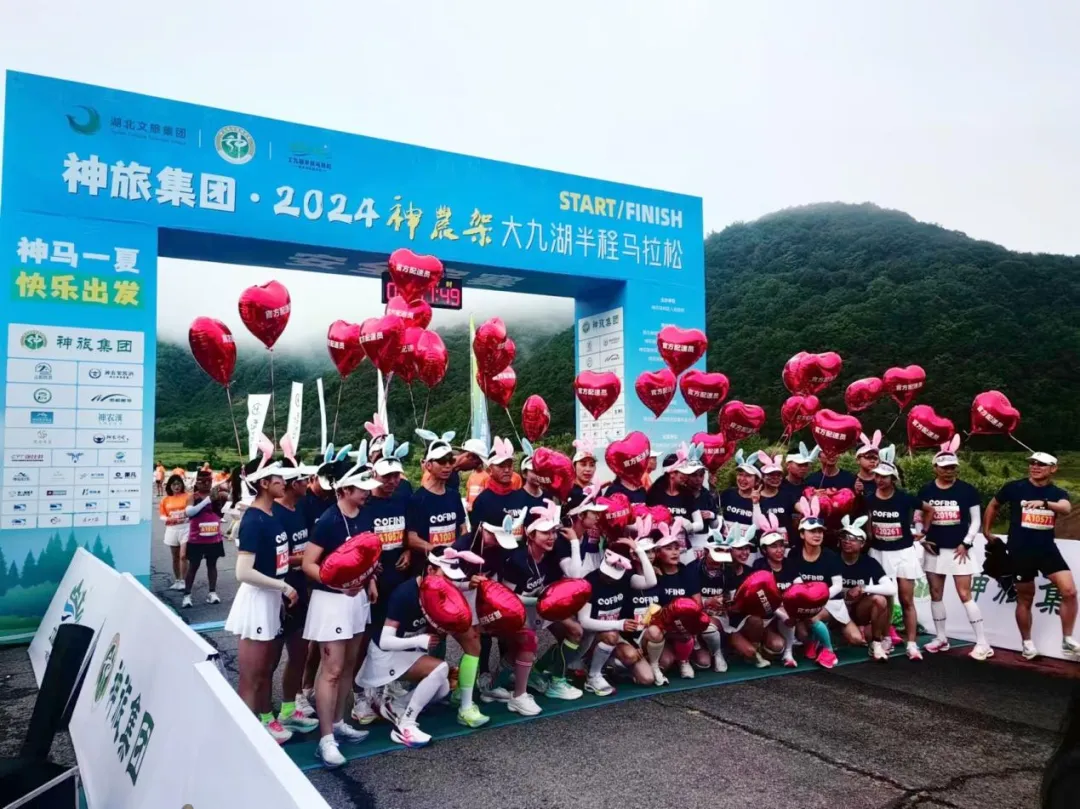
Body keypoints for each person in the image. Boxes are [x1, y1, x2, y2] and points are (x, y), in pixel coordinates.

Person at [302, 456, 381, 768]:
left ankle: (338, 722)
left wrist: (370, 581)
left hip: (357, 601)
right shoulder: (328, 520)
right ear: (345, 489)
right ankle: (325, 739)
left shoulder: (365, 515)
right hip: (331, 603)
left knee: (348, 666)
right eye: (361, 488)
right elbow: (309, 564)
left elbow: (367, 556)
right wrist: (336, 584)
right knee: (332, 670)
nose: (367, 492)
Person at [408, 432, 489, 727]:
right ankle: (427, 693)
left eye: (448, 461)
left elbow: (460, 530)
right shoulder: (417, 499)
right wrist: (434, 550)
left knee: (471, 638)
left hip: (455, 576)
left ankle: (465, 701)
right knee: (433, 638)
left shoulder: (454, 495)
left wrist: (459, 554)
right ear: (427, 464)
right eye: (440, 461)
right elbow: (411, 537)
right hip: (429, 579)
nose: (446, 465)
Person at [355, 548, 464, 748]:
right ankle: (405, 724)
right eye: (447, 576)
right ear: (430, 570)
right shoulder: (405, 594)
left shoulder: (439, 594)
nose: (451, 583)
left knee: (442, 688)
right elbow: (385, 641)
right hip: (384, 656)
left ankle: (395, 705)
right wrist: (419, 641)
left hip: (405, 655)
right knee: (440, 669)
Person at [223, 461, 296, 744]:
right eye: (278, 479)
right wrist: (283, 586)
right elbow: (243, 572)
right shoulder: (253, 520)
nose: (284, 483)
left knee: (264, 671)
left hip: (270, 598)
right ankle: (243, 741)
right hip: (256, 602)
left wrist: (279, 591)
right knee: (251, 678)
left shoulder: (271, 513)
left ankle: (262, 724)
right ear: (264, 483)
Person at [984, 451, 1077, 660]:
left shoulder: (1057, 492)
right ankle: (1027, 643)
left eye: (1041, 464)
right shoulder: (1014, 487)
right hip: (1020, 550)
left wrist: (1044, 504)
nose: (1035, 467)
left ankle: (1067, 639)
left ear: (1053, 469)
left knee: (1069, 591)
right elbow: (994, 504)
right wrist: (987, 531)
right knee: (1025, 598)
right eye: (1033, 463)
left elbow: (1066, 508)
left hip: (1047, 549)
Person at [453, 513, 542, 716]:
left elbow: (496, 573)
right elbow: (445, 582)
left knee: (513, 634)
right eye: (494, 536)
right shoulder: (462, 546)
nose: (496, 542)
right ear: (483, 528)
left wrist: (492, 593)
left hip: (486, 594)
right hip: (458, 598)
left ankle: (490, 682)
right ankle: (464, 693)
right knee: (473, 643)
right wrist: (467, 584)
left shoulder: (498, 548)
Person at [502, 499, 585, 700]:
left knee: (575, 631)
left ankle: (556, 680)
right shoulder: (517, 560)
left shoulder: (551, 554)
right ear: (531, 535)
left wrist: (574, 542)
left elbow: (576, 576)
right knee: (528, 644)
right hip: (519, 609)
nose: (552, 537)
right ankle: (499, 682)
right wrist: (538, 602)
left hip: (542, 606)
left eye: (554, 532)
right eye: (545, 533)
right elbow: (507, 597)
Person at [918, 437, 992, 660]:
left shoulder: (967, 490)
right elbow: (919, 518)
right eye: (944, 467)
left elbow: (976, 520)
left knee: (964, 594)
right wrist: (922, 538)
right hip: (934, 550)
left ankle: (982, 642)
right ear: (935, 468)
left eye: (952, 467)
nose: (949, 471)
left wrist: (966, 542)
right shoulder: (925, 490)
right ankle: (941, 637)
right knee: (935, 594)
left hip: (960, 550)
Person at [270, 460, 320, 735]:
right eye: (303, 480)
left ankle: (289, 709)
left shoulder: (300, 508)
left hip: (300, 590)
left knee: (299, 654)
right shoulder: (274, 514)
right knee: (270, 660)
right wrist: (307, 559)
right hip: (280, 593)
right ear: (291, 485)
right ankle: (263, 714)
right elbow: (274, 557)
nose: (307, 484)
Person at [864, 446, 925, 661]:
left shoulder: (904, 498)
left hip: (903, 553)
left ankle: (912, 644)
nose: (880, 480)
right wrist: (870, 535)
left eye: (884, 477)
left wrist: (923, 531)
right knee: (886, 599)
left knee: (907, 599)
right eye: (877, 476)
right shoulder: (869, 498)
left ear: (893, 479)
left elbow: (928, 509)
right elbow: (868, 520)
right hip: (879, 553)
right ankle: (885, 638)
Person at [577, 539, 657, 694]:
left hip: (615, 633)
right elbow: (584, 621)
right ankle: (593, 676)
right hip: (591, 636)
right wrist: (619, 624)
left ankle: (607, 663)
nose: (610, 577)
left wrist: (639, 551)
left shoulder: (625, 578)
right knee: (611, 635)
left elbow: (651, 581)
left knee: (647, 678)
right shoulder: (589, 581)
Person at [786, 496, 844, 669]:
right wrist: (807, 599)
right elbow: (796, 581)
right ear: (802, 534)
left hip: (830, 602)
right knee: (802, 634)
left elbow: (838, 585)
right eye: (812, 531)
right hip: (805, 601)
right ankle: (814, 640)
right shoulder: (794, 554)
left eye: (820, 531)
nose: (817, 535)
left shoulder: (830, 555)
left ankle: (829, 650)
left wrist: (818, 599)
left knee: (813, 617)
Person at [832, 515, 896, 661]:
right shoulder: (832, 559)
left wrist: (863, 588)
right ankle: (833, 635)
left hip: (859, 611)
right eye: (844, 537)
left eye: (853, 539)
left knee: (880, 599)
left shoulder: (869, 562)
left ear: (862, 544)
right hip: (837, 610)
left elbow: (891, 589)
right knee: (854, 639)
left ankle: (877, 643)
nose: (847, 541)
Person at [711, 524, 772, 670]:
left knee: (756, 622)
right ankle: (723, 650)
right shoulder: (720, 571)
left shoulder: (751, 572)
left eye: (747, 549)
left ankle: (754, 647)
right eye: (740, 549)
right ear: (730, 550)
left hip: (742, 620)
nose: (745, 553)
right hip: (724, 621)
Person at [648, 521, 702, 682]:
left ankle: (684, 660)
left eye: (676, 548)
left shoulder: (687, 572)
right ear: (658, 552)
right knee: (665, 662)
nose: (674, 552)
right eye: (668, 548)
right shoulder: (653, 574)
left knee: (704, 662)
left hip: (682, 626)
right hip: (660, 625)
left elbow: (697, 604)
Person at [647, 444, 706, 554]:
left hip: (684, 550)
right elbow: (648, 524)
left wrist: (687, 526)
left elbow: (700, 524)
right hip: (661, 551)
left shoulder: (688, 494)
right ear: (672, 473)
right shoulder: (654, 494)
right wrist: (673, 522)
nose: (686, 476)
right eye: (683, 472)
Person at [181, 470, 226, 608]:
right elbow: (189, 512)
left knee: (212, 565)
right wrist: (208, 500)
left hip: (213, 537)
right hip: (196, 538)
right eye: (203, 481)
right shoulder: (193, 496)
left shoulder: (218, 496)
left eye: (209, 481)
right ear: (197, 482)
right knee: (193, 566)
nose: (206, 484)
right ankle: (187, 595)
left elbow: (229, 502)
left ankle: (212, 593)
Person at [754, 451, 799, 544]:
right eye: (771, 475)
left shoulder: (787, 496)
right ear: (763, 476)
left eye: (778, 475)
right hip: (764, 545)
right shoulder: (756, 497)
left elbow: (800, 507)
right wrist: (755, 502)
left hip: (785, 545)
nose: (775, 478)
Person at [160, 474, 189, 591]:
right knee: (175, 557)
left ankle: (184, 581)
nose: (176, 486)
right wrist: (169, 519)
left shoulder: (188, 496)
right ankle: (177, 580)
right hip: (172, 529)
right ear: (170, 486)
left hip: (186, 528)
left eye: (178, 484)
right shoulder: (165, 499)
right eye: (174, 484)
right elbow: (162, 515)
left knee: (183, 556)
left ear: (182, 485)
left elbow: (192, 511)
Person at [720, 450, 760, 532]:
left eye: (748, 475)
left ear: (757, 481)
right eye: (740, 474)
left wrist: (755, 503)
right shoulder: (727, 494)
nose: (742, 479)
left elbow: (758, 527)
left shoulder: (761, 500)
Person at [853, 431, 882, 501]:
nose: (872, 461)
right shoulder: (852, 481)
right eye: (868, 457)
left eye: (875, 458)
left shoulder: (882, 482)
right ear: (858, 460)